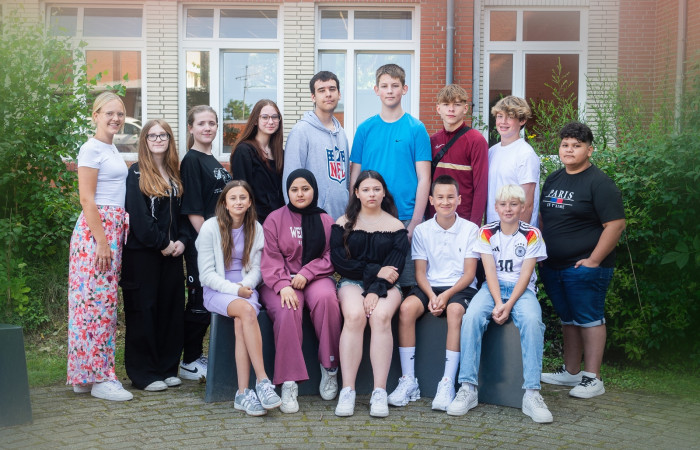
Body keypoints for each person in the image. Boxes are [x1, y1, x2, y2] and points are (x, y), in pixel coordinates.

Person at [447, 185, 553, 423]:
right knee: (471, 317)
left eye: (514, 204)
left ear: (523, 207)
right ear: (495, 207)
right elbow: (489, 271)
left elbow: (526, 274)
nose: (508, 209)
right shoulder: (486, 232)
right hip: (492, 288)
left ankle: (532, 393)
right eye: (503, 204)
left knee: (533, 321)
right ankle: (467, 388)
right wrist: (497, 302)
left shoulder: (532, 234)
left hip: (522, 290)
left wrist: (509, 304)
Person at [539, 122, 625, 399]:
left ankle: (593, 378)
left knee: (590, 319)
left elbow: (615, 225)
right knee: (568, 319)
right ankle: (572, 372)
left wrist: (594, 260)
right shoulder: (553, 179)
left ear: (589, 150)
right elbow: (543, 217)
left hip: (584, 266)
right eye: (565, 145)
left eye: (576, 145)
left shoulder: (600, 183)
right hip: (553, 265)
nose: (569, 150)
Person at [387, 175, 480, 411]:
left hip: (460, 287)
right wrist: (431, 296)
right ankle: (409, 380)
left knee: (455, 311)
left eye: (450, 197)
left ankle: (447, 382)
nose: (445, 202)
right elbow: (420, 273)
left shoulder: (471, 229)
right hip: (430, 285)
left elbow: (469, 274)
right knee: (406, 308)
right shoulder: (422, 230)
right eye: (440, 197)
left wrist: (446, 297)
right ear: (431, 200)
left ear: (459, 199)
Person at [67, 91, 132, 401]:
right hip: (97, 233)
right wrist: (102, 242)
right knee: (97, 307)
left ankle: (84, 375)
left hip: (110, 228)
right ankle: (101, 378)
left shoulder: (110, 147)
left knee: (93, 304)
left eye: (120, 113)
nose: (116, 118)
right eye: (109, 113)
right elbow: (86, 198)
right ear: (95, 116)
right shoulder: (91, 148)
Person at [197, 181, 282, 416]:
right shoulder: (210, 228)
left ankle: (243, 393)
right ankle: (263, 381)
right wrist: (235, 291)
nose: (238, 202)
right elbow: (206, 274)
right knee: (245, 311)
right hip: (217, 291)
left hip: (246, 288)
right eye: (233, 198)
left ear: (250, 202)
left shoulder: (255, 228)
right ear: (224, 203)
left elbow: (258, 269)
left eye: (243, 197)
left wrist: (246, 286)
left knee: (241, 319)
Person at [260, 169, 342, 413]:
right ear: (288, 192)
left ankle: (330, 367)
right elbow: (270, 257)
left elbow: (331, 255)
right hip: (281, 280)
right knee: (288, 307)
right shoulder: (275, 219)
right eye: (294, 189)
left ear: (314, 190)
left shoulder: (325, 220)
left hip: (315, 277)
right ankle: (289, 382)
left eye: (305, 189)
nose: (300, 194)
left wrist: (308, 272)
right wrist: (282, 284)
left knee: (327, 299)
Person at [330, 170, 410, 418]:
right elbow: (340, 264)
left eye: (376, 189)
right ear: (356, 193)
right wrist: (374, 271)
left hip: (388, 286)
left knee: (380, 316)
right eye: (365, 189)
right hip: (351, 282)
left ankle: (379, 391)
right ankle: (348, 390)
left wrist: (375, 290)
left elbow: (394, 269)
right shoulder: (343, 223)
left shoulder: (396, 227)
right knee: (355, 316)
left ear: (384, 192)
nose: (371, 194)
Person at [349, 64, 431, 289]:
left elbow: (424, 178)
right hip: (369, 218)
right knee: (370, 283)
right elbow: (354, 177)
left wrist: (415, 222)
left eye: (395, 85)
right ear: (376, 90)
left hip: (405, 218)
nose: (390, 91)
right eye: (384, 86)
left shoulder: (416, 129)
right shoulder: (365, 129)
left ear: (404, 89)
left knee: (406, 285)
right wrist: (354, 215)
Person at [122, 120, 188, 392]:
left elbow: (183, 215)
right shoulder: (136, 173)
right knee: (144, 311)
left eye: (163, 135)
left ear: (170, 140)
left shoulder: (175, 174)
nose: (158, 139)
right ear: (145, 140)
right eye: (153, 135)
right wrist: (162, 243)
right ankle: (144, 374)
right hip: (143, 255)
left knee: (171, 311)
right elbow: (138, 217)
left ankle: (167, 368)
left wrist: (182, 241)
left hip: (172, 255)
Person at [179, 105, 233, 381]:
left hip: (219, 241)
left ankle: (198, 355)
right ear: (191, 128)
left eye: (212, 123)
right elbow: (193, 209)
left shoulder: (212, 160)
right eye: (201, 123)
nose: (207, 128)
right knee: (199, 299)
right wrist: (209, 244)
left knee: (211, 297)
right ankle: (189, 360)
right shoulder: (191, 160)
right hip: (201, 244)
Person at [283, 71, 350, 220]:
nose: (328, 94)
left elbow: (345, 181)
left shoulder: (341, 134)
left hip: (341, 220)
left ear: (339, 94)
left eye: (332, 89)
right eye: (321, 90)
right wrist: (296, 220)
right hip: (312, 220)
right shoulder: (300, 131)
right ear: (313, 97)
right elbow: (290, 181)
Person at [430, 84, 488, 226]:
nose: (451, 109)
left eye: (457, 104)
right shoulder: (432, 141)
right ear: (438, 109)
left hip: (464, 221)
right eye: (446, 104)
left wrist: (474, 226)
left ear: (465, 108)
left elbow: (481, 188)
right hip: (434, 221)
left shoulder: (476, 141)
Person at [486, 96, 540, 226]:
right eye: (500, 116)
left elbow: (527, 204)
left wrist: (517, 234)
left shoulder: (525, 154)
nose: (503, 122)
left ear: (522, 120)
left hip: (515, 231)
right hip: (493, 229)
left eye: (510, 117)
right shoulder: (492, 151)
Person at [230, 99, 285, 224]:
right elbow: (241, 192)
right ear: (255, 120)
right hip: (255, 222)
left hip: (279, 221)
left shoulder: (280, 153)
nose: (270, 121)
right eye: (265, 117)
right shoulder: (244, 151)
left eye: (274, 117)